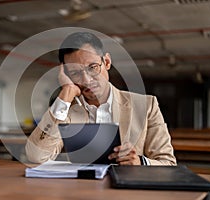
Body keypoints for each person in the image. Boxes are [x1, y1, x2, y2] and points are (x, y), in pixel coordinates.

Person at [25, 32, 176, 165]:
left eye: (93, 67)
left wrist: (140, 162)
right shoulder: (65, 111)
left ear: (107, 62)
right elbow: (36, 156)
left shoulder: (146, 105)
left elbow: (168, 162)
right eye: (75, 73)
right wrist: (67, 92)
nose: (86, 80)